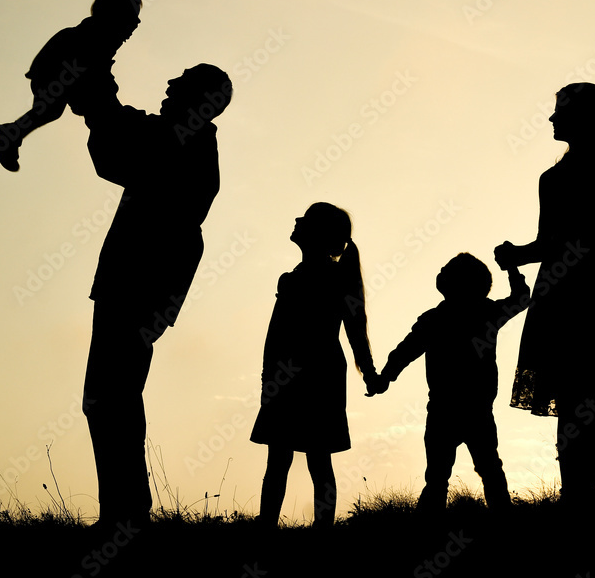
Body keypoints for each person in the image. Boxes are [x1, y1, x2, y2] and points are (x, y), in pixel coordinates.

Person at [81, 64, 233, 526]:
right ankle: (125, 512)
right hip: (142, 289)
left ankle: (126, 515)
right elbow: (119, 136)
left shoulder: (183, 140)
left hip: (136, 286)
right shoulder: (183, 138)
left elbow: (115, 153)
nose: (168, 85)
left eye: (182, 83)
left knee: (111, 397)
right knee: (113, 396)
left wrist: (94, 87)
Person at [494, 81, 595, 507]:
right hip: (569, 289)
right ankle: (574, 495)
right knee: (572, 396)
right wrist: (517, 254)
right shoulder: (553, 178)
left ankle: (581, 495)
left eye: (559, 110)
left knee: (590, 396)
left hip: (587, 288)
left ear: (583, 117)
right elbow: (549, 241)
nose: (551, 118)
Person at [249, 203, 380, 528]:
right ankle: (308, 531)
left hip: (309, 374)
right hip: (315, 373)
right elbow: (354, 331)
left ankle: (273, 529)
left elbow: (354, 331)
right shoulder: (303, 277)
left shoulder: (318, 279)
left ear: (317, 234)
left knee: (291, 458)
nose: (296, 221)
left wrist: (369, 371)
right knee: (309, 459)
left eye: (305, 220)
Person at [369, 253, 529, 514]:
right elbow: (522, 298)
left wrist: (384, 378)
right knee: (488, 469)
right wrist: (512, 267)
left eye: (445, 271)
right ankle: (503, 521)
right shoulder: (487, 312)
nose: (440, 272)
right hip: (476, 409)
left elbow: (404, 352)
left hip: (444, 409)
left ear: (448, 284)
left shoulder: (434, 320)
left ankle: (428, 530)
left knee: (438, 476)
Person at [0, 0, 142, 172]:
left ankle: (13, 133)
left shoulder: (101, 39)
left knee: (50, 110)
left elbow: (98, 72)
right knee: (51, 109)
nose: (134, 25)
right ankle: (12, 134)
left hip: (59, 71)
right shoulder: (94, 37)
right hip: (55, 69)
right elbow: (92, 70)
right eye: (129, 19)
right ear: (113, 15)